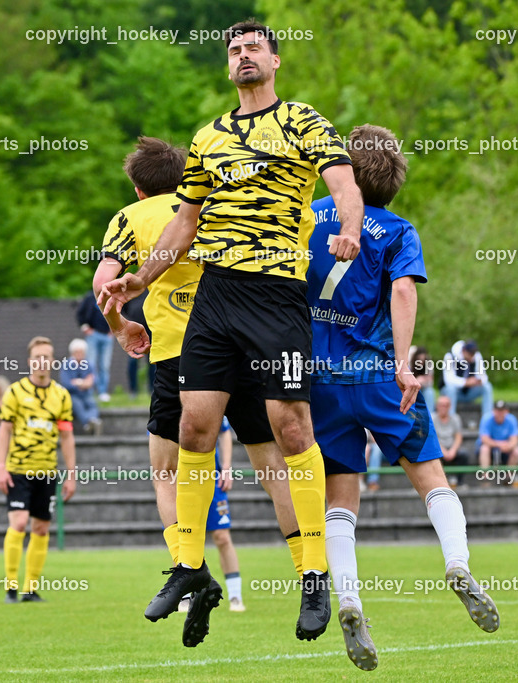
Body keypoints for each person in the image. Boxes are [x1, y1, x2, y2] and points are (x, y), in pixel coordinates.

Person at [103, 22, 364, 644]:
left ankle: (312, 575)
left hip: (275, 294)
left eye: (253, 48)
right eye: (234, 50)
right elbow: (184, 221)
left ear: (273, 60)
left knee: (290, 426)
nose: (243, 57)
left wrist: (348, 228)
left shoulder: (303, 121)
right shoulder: (208, 137)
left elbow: (344, 185)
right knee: (193, 426)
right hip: (216, 296)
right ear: (228, 67)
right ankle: (189, 566)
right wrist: (139, 279)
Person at [94, 135, 306, 648]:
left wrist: (122, 328)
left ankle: (190, 568)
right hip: (247, 344)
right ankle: (311, 576)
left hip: (178, 355)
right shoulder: (214, 203)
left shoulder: (131, 217)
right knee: (273, 464)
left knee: (167, 470)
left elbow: (105, 283)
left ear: (139, 188)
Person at [307, 124, 499, 671]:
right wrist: (402, 361)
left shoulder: (310, 216)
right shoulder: (397, 230)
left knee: (339, 502)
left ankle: (347, 599)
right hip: (376, 377)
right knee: (431, 479)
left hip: (320, 382)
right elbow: (403, 289)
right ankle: (457, 564)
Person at [0, 336, 77, 603]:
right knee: (19, 522)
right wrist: (1, 467)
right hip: (18, 469)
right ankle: (10, 586)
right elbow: (4, 430)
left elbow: (66, 436)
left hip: (47, 472)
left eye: (47, 357)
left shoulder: (61, 395)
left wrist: (71, 473)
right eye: (38, 357)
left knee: (41, 528)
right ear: (30, 361)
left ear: (52, 361)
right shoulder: (15, 393)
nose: (42, 362)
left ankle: (30, 588)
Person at [179, 418, 246, 614]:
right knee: (184, 536)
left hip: (211, 478)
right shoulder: (164, 400)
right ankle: (183, 596)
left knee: (222, 537)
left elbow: (224, 430)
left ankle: (235, 595)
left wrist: (226, 467)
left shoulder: (205, 395)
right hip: (182, 481)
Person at [442, 339, 494, 419]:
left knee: (487, 386)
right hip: (453, 393)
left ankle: (487, 419)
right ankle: (451, 420)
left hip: (469, 392)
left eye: (473, 354)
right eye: (470, 354)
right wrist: (466, 382)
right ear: (463, 350)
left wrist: (479, 380)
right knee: (450, 389)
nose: (472, 357)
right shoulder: (450, 356)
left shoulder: (476, 356)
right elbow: (448, 380)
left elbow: (483, 375)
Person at [76, 290, 113, 402]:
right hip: (93, 335)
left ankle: (103, 392)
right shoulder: (90, 298)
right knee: (90, 364)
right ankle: (90, 391)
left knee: (105, 365)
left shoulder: (111, 296)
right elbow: (80, 313)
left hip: (107, 336)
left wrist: (114, 328)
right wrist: (85, 327)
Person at [60, 338, 102, 434]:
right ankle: (89, 422)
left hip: (86, 394)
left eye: (82, 352)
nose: (80, 355)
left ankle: (91, 422)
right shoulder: (66, 365)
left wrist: (78, 383)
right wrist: (83, 383)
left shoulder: (89, 364)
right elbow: (66, 383)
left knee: (92, 404)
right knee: (78, 405)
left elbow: (94, 379)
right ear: (72, 353)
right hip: (73, 395)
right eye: (77, 352)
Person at [476, 400, 518, 478]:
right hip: (490, 448)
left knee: (517, 451)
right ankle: (485, 477)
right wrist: (499, 445)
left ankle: (509, 477)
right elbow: (484, 439)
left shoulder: (512, 419)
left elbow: (515, 439)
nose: (500, 413)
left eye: (502, 411)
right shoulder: (486, 418)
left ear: (506, 411)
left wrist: (509, 446)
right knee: (484, 449)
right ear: (493, 411)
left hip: (505, 449)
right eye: (498, 411)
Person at [433, 395, 469, 487]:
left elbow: (458, 437)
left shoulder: (455, 418)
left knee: (464, 454)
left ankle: (460, 482)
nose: (443, 408)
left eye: (446, 405)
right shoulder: (432, 419)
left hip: (451, 447)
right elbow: (432, 438)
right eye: (441, 405)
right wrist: (443, 451)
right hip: (437, 448)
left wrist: (453, 450)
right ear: (437, 406)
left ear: (450, 407)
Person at [410, 346, 436, 413]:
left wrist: (422, 381)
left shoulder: (428, 364)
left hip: (424, 388)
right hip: (411, 388)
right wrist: (416, 380)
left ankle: (430, 414)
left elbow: (430, 382)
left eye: (423, 359)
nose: (421, 362)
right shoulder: (409, 364)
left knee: (430, 392)